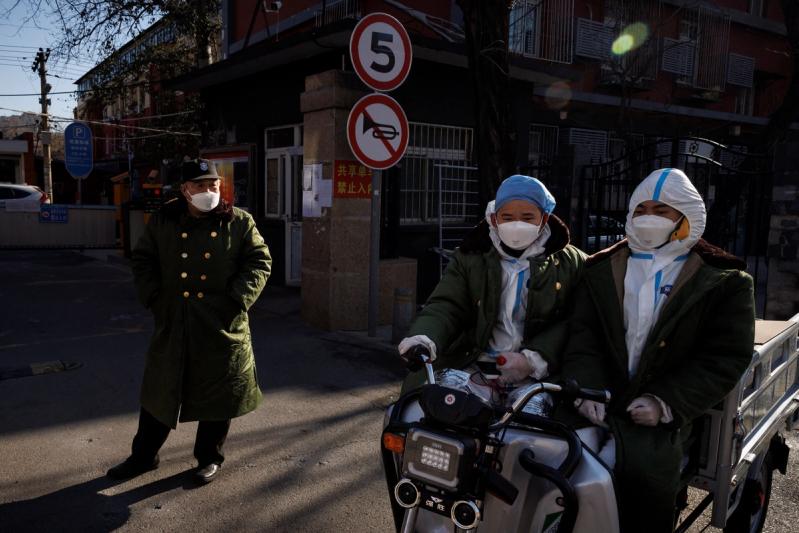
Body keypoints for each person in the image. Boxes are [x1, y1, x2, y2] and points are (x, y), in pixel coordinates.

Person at [561, 168, 755, 532]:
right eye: (642, 209)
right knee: (545, 460)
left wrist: (664, 402)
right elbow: (583, 336)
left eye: (662, 210)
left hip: (659, 419)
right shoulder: (602, 269)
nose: (649, 217)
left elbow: (724, 357)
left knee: (637, 484)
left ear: (686, 217)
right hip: (597, 399)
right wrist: (584, 387)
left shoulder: (724, 281)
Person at [107, 158, 272, 485]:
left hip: (221, 324)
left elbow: (259, 262)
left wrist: (237, 299)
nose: (208, 191)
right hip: (175, 321)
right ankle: (143, 457)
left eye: (213, 185)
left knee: (218, 393)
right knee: (159, 391)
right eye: (199, 186)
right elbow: (143, 260)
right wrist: (155, 298)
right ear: (184, 190)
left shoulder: (238, 222)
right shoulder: (164, 221)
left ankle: (209, 457)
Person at [398, 174, 586, 391]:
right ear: (495, 219)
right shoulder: (471, 257)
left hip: (540, 377)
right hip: (471, 366)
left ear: (544, 219)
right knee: (421, 411)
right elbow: (446, 305)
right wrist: (424, 337)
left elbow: (577, 319)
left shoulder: (570, 263)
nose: (517, 225)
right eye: (507, 217)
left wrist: (534, 359)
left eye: (527, 217)